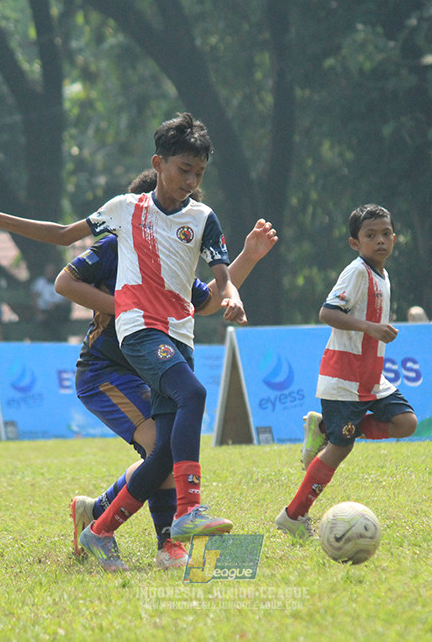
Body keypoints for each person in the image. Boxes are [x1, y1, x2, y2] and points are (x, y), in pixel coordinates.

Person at [0, 112, 245, 571]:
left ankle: (101, 528)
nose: (191, 181)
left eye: (199, 173)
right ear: (158, 164)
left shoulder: (203, 219)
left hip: (179, 339)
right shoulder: (126, 211)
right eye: (182, 170)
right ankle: (187, 515)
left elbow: (218, 285)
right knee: (193, 394)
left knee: (166, 451)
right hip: (136, 337)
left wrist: (233, 294)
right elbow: (60, 237)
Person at [60, 170, 277, 569]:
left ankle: (106, 518)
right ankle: (156, 539)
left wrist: (248, 256)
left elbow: (206, 302)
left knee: (163, 450)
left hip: (144, 368)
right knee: (162, 445)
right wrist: (128, 308)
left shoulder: (171, 262)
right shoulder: (115, 244)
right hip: (104, 372)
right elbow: (64, 282)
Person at [276, 204, 417, 538]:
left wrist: (373, 329)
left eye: (385, 234)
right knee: (341, 448)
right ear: (355, 243)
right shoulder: (356, 272)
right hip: (344, 378)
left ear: (394, 238)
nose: (380, 241)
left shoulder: (382, 273)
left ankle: (327, 428)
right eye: (370, 236)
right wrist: (369, 327)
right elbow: (327, 312)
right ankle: (293, 516)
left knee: (406, 422)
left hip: (370, 377)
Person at [31, 262, 70, 339]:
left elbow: (68, 300)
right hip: (45, 310)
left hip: (59, 310)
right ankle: (57, 338)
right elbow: (35, 298)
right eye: (48, 271)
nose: (50, 273)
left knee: (54, 317)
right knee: (47, 319)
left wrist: (57, 305)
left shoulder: (62, 282)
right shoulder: (40, 283)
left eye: (52, 271)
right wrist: (38, 312)